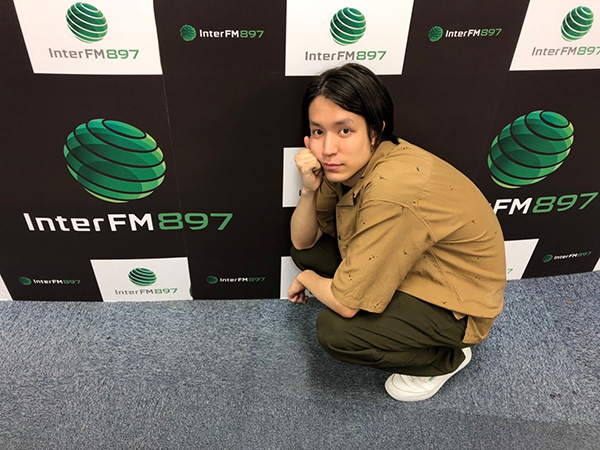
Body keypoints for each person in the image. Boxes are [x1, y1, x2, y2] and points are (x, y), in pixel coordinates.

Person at [287, 63, 506, 402]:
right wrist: (310, 189)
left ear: (375, 131)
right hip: (412, 263)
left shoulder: (391, 189)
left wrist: (309, 279)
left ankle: (445, 359)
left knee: (335, 332)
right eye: (318, 131)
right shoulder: (345, 166)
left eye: (344, 130)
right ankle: (386, 307)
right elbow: (303, 242)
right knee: (308, 253)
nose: (327, 148)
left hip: (456, 303)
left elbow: (344, 305)